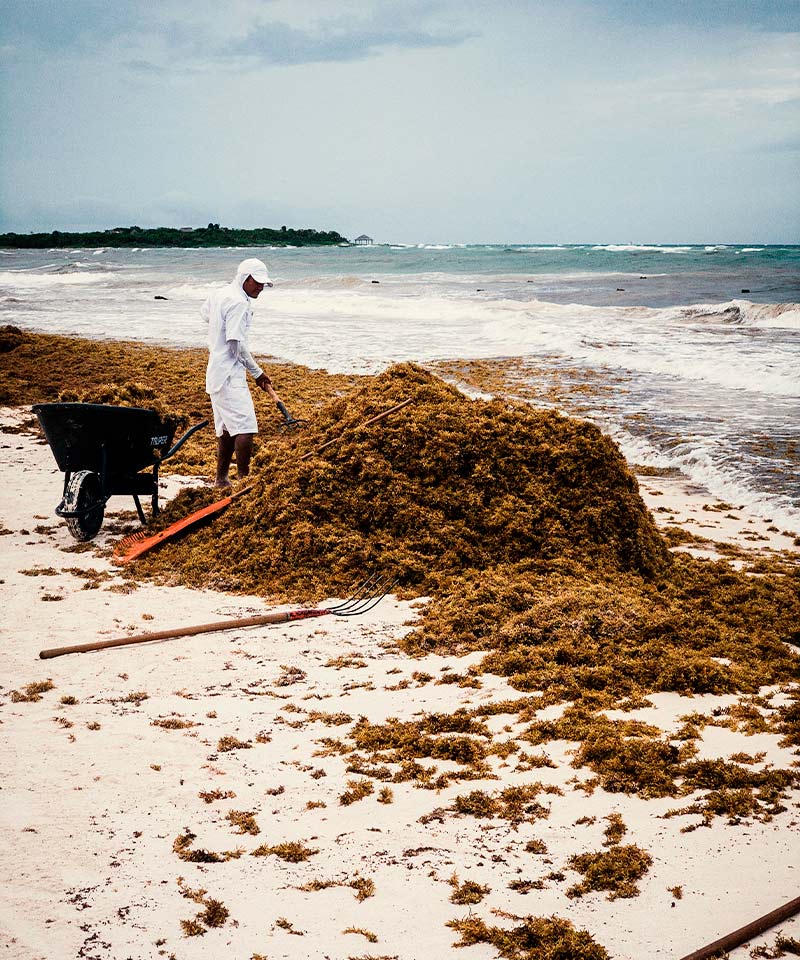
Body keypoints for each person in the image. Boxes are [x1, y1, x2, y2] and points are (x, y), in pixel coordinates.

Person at [202, 257, 274, 488]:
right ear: (244, 278)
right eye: (257, 282)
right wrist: (257, 372)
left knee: (226, 429)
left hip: (217, 370)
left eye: (264, 283)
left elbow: (205, 314)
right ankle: (245, 480)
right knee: (245, 427)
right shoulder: (239, 303)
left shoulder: (220, 294)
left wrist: (218, 330)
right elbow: (236, 344)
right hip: (229, 375)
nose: (261, 287)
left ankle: (221, 479)